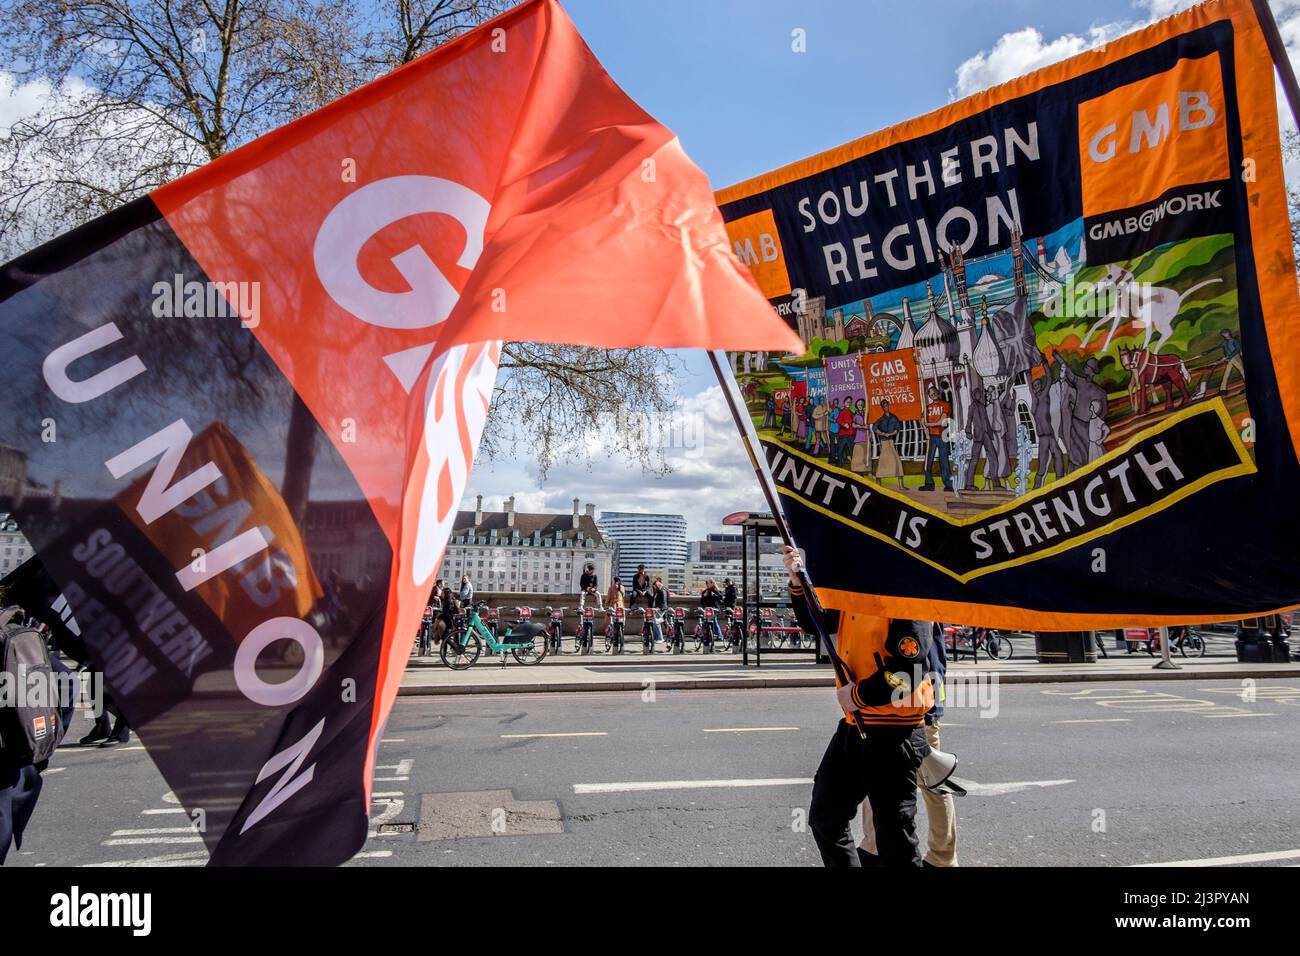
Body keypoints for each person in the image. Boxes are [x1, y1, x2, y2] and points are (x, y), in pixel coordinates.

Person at [782, 545, 936, 867]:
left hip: (894, 733)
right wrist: (798, 584)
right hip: (855, 727)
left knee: (895, 838)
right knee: (826, 818)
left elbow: (909, 671)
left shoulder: (908, 590)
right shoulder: (859, 587)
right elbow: (820, 623)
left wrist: (859, 695)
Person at [858, 622, 958, 867]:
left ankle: (940, 856)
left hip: (913, 703)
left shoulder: (911, 598)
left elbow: (913, 662)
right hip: (917, 699)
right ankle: (941, 856)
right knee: (931, 784)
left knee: (928, 783)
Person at [920, 383, 954, 491]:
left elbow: (942, 422)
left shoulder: (945, 405)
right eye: (931, 394)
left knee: (943, 460)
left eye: (935, 392)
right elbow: (922, 421)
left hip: (942, 435)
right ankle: (929, 483)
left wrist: (928, 424)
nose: (933, 395)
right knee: (928, 460)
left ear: (938, 393)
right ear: (929, 396)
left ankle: (948, 484)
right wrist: (926, 432)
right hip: (931, 437)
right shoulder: (927, 408)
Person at [872, 399, 905, 488]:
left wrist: (890, 434)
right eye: (884, 406)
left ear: (888, 406)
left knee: (897, 461)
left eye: (886, 405)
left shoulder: (894, 417)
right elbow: (874, 428)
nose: (885, 407)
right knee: (882, 461)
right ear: (882, 407)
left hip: (891, 441)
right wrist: (882, 433)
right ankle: (878, 484)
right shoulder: (880, 419)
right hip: (884, 442)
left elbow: (897, 429)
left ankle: (901, 485)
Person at [698, 579, 725, 646]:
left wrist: (714, 595)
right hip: (706, 609)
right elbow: (702, 602)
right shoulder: (705, 591)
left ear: (712, 583)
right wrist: (704, 596)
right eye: (707, 583)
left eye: (709, 583)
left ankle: (719, 636)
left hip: (714, 609)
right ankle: (702, 634)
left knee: (714, 621)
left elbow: (721, 598)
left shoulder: (716, 591)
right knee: (705, 622)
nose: (707, 584)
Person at [648, 576, 668, 644]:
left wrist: (658, 608)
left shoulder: (662, 591)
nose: (654, 588)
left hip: (660, 609)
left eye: (654, 587)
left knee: (657, 623)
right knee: (655, 623)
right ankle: (656, 637)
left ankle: (660, 638)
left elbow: (664, 601)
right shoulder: (658, 591)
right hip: (658, 609)